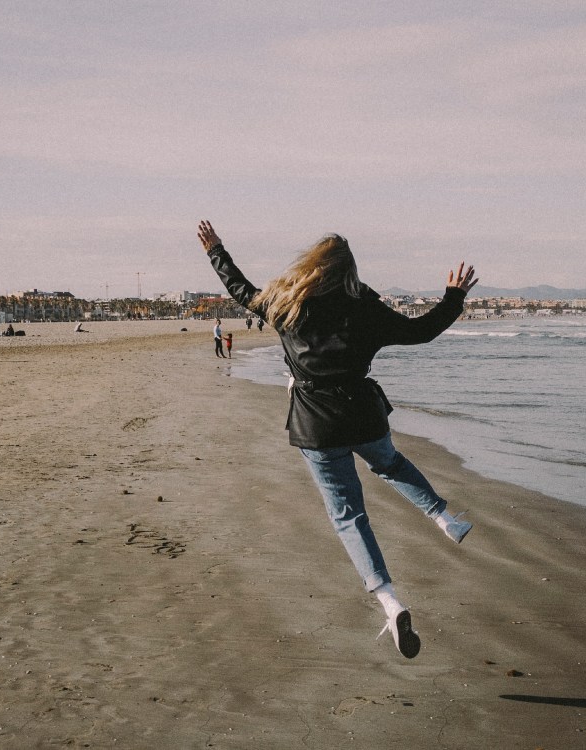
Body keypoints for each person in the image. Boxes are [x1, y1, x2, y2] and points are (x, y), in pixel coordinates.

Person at [197, 220, 477, 659]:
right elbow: (421, 330)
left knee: (349, 517)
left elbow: (239, 288)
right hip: (364, 415)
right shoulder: (365, 308)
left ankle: (391, 603)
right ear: (348, 271)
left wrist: (216, 250)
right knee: (390, 463)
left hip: (317, 425)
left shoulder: (284, 305)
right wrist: (455, 297)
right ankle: (445, 519)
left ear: (311, 266)